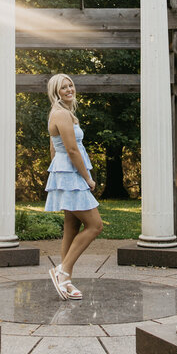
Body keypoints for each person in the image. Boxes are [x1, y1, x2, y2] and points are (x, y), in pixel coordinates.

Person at [44, 73, 103, 300]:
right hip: (71, 174)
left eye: (70, 85)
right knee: (95, 225)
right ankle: (62, 271)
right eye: (63, 87)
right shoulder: (61, 113)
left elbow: (52, 149)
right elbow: (71, 150)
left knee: (72, 226)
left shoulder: (64, 114)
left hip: (65, 173)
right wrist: (87, 178)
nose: (69, 89)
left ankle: (66, 279)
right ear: (55, 92)